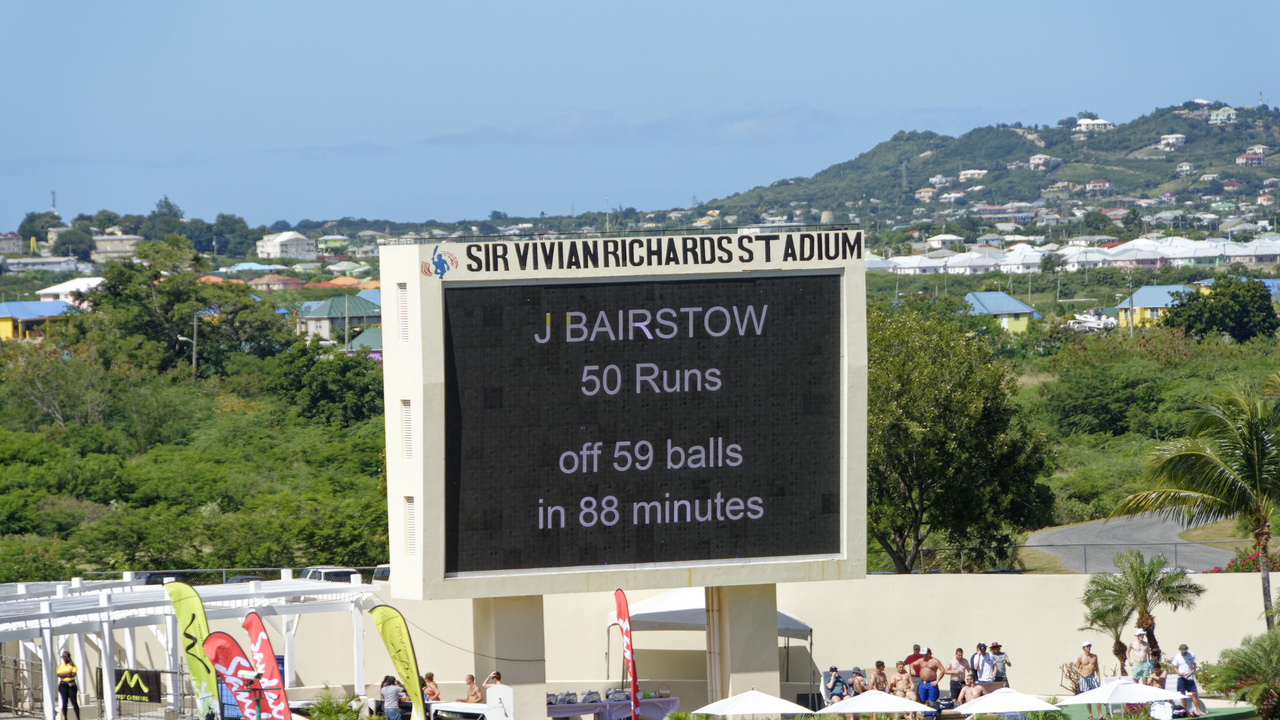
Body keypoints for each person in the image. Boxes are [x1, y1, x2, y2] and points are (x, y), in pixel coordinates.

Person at [1172, 644, 1201, 717]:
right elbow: (1175, 668)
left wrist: (1191, 672)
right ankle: (1184, 711)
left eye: (1185, 650)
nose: (1184, 652)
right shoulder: (1177, 656)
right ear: (1180, 650)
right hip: (1181, 677)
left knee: (1194, 693)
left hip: (1190, 677)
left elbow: (1195, 666)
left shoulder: (1191, 655)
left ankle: (1199, 710)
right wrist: (1180, 673)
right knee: (1183, 694)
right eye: (1183, 651)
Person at [1075, 642, 1102, 720]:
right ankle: (1090, 715)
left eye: (1089, 646)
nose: (1088, 648)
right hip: (1085, 678)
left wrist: (1099, 678)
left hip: (1093, 677)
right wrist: (1082, 673)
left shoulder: (1094, 656)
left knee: (1097, 696)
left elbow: (1097, 667)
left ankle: (1100, 714)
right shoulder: (1080, 657)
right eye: (1087, 647)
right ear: (1083, 648)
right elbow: (1076, 668)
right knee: (1087, 697)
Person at [56, 651, 80, 720]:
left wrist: (64, 675)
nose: (64, 658)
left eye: (65, 657)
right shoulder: (60, 665)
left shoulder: (72, 665)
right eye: (63, 657)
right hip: (63, 685)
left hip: (71, 685)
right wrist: (67, 674)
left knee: (74, 701)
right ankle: (65, 717)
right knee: (64, 702)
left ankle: (78, 718)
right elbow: (59, 675)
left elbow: (73, 674)